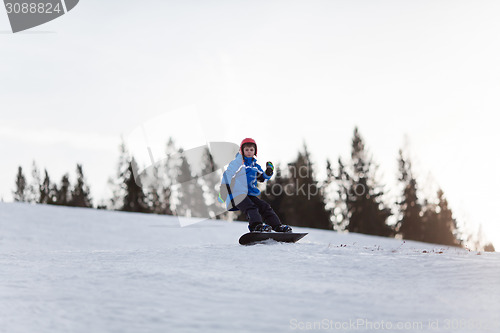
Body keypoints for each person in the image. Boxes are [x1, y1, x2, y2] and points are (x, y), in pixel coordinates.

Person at [218, 138, 292, 233]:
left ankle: (277, 226)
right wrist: (223, 190)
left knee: (264, 206)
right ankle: (256, 226)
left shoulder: (255, 166)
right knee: (251, 207)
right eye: (247, 150)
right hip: (236, 194)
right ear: (242, 151)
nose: (249, 152)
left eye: (251, 150)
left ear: (255, 151)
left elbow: (262, 177)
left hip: (249, 195)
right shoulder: (238, 163)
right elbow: (227, 174)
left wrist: (268, 172)